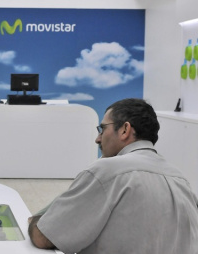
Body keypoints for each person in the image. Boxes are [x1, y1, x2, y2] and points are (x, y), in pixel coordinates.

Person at [28, 98, 198, 254]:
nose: (97, 139)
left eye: (102, 129)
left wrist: (35, 222)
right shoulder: (180, 179)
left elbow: (43, 237)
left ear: (125, 129)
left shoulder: (106, 171)